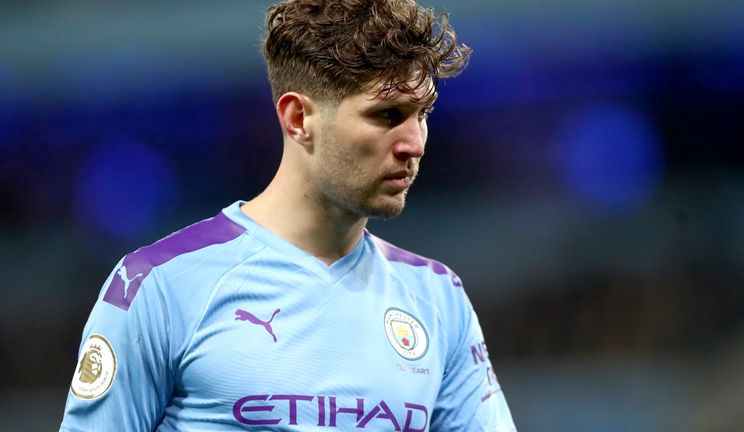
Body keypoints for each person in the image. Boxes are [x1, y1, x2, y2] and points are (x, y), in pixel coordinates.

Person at [60, 0, 517, 430]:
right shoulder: (157, 285)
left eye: (422, 114)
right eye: (386, 114)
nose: (414, 143)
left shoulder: (437, 299)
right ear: (298, 118)